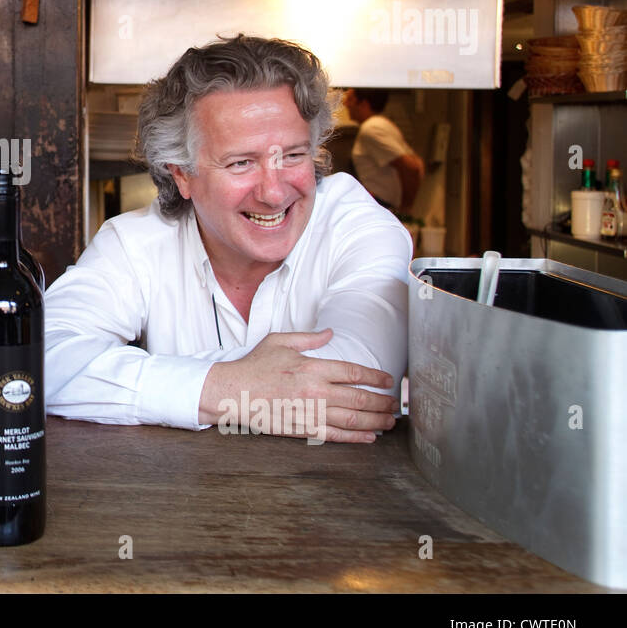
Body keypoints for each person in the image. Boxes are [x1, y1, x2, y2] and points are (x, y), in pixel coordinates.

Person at [45, 36, 410, 443]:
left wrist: (159, 384)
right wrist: (226, 387)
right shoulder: (134, 243)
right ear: (181, 174)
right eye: (241, 163)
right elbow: (37, 360)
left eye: (293, 156)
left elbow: (360, 387)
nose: (274, 192)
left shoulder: (359, 226)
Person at [343, 88, 424, 214]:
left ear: (364, 104)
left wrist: (405, 208)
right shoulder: (382, 124)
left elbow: (411, 168)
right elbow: (417, 164)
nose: (345, 104)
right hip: (382, 206)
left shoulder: (372, 128)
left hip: (381, 206)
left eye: (350, 99)